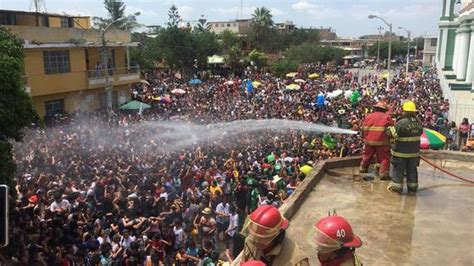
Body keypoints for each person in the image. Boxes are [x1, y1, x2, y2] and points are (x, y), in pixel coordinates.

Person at [387, 100, 423, 194]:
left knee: (398, 169)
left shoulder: (401, 122)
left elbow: (392, 134)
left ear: (405, 111)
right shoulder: (419, 123)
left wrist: (389, 128)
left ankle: (397, 188)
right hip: (414, 153)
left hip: (400, 153)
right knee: (412, 170)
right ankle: (412, 188)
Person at [359, 101, 393, 180]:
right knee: (384, 158)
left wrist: (364, 138)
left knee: (367, 155)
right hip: (382, 142)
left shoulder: (369, 116)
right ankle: (383, 173)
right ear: (384, 109)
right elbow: (392, 130)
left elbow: (363, 129)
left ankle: (363, 168)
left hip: (369, 141)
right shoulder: (387, 117)